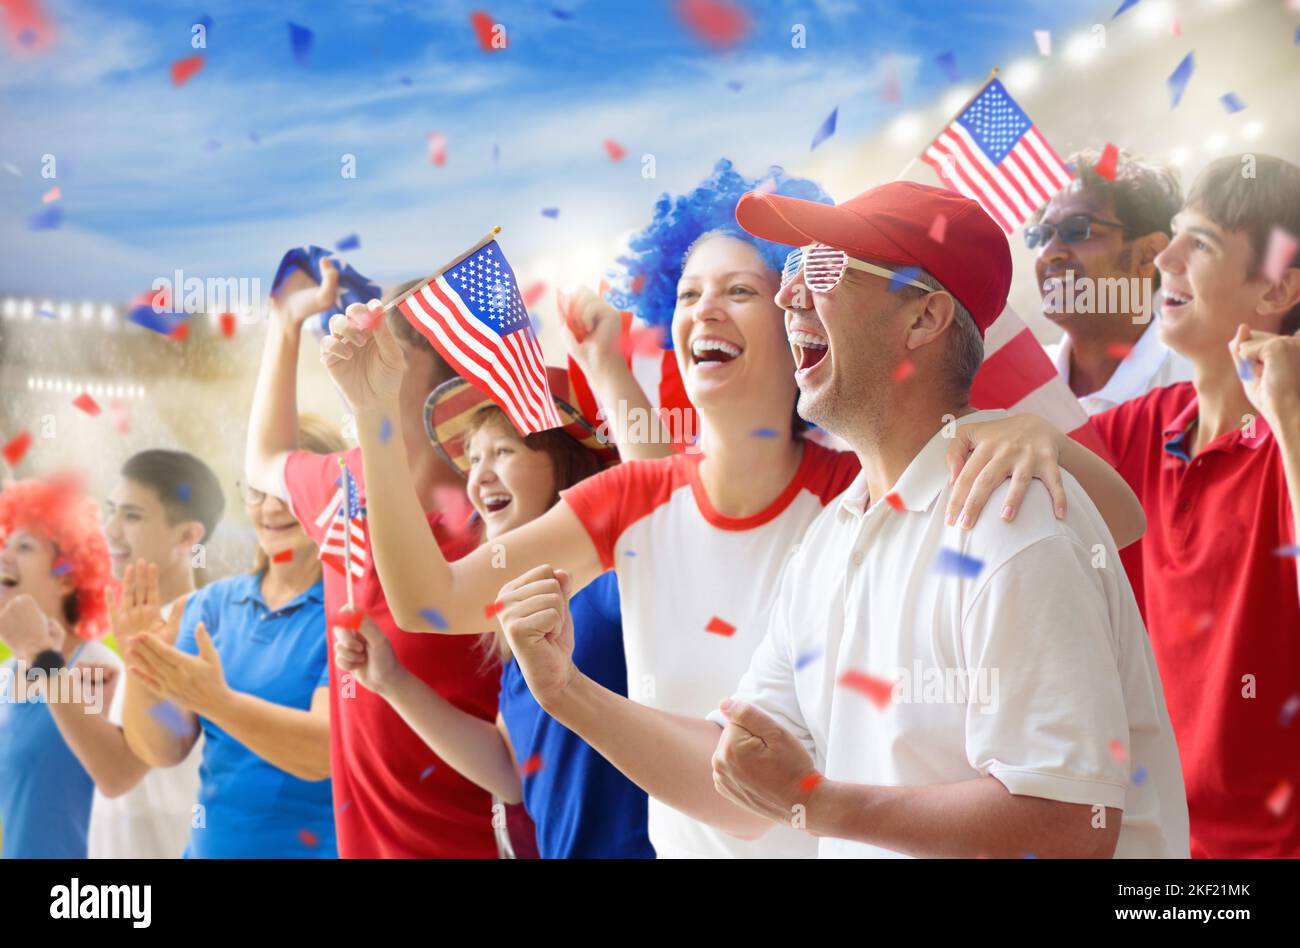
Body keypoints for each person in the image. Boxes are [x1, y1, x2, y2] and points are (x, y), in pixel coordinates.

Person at [320, 159, 1149, 858]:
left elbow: (1115, 525)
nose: (713, 310)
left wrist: (1023, 431)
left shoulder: (895, 490)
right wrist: (374, 416)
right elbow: (740, 776)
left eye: (759, 285)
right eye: (686, 294)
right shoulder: (832, 527)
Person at [335, 371, 655, 857]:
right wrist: (392, 682)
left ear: (565, 467)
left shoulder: (614, 581)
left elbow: (658, 505)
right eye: (474, 459)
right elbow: (509, 774)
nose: (479, 475)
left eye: (503, 451)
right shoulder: (516, 617)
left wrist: (604, 358)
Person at [245, 255, 502, 858]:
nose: (358, 345)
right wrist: (284, 327)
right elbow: (262, 459)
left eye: (383, 338)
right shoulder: (345, 485)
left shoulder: (501, 519)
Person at [1089, 154, 1300, 857]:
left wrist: (1290, 419)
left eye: (1200, 243)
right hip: (1151, 844)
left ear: (1276, 289)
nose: (1166, 258)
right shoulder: (1137, 427)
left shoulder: (1285, 446)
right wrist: (1029, 434)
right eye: (1174, 234)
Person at [119, 415, 343, 858]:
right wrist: (143, 667)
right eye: (258, 490)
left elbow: (320, 752)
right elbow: (162, 749)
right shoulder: (212, 607)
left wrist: (216, 700)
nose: (271, 508)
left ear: (332, 494)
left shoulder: (350, 613)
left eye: (288, 489)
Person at [72, 449, 224, 859]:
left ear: (188, 537)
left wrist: (46, 660)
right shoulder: (130, 627)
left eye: (132, 516)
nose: (110, 529)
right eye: (111, 511)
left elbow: (130, 764)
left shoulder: (205, 633)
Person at [0, 476, 118, 858]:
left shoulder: (100, 670)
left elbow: (121, 780)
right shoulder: (5, 680)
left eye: (25, 546)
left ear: (67, 577)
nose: (4, 556)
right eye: (6, 543)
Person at [1032, 148, 1193, 414]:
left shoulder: (1203, 394)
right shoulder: (1012, 384)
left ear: (1148, 254)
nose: (1049, 254)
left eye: (1078, 230)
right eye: (1043, 234)